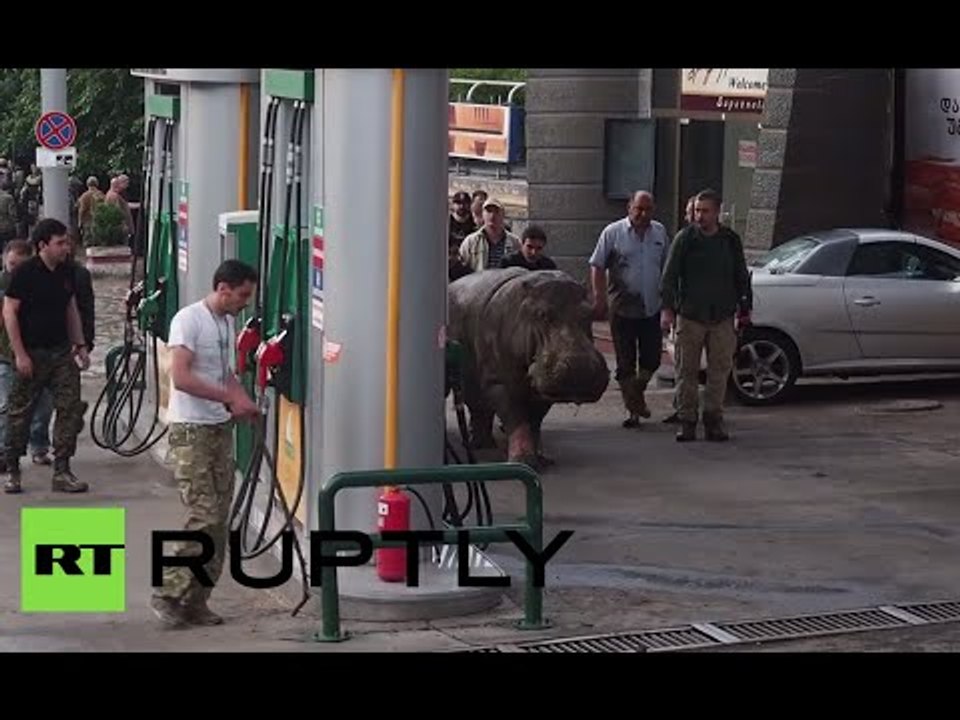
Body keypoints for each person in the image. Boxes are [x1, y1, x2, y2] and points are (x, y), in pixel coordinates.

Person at [150, 259, 260, 629]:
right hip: (190, 431)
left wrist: (241, 398)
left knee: (219, 522)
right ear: (223, 288)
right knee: (204, 517)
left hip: (218, 429)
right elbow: (181, 377)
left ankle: (196, 601)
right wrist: (228, 399)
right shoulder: (188, 320)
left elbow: (225, 373)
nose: (245, 302)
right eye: (242, 294)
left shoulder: (227, 323)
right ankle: (167, 592)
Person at [2, 219, 89, 494]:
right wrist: (20, 354)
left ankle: (62, 469)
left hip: (61, 352)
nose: (65, 247)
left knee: (70, 408)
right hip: (32, 353)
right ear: (43, 245)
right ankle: (13, 469)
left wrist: (80, 344)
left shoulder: (66, 272)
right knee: (19, 414)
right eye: (59, 243)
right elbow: (9, 313)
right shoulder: (25, 273)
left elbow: (70, 308)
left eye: (66, 241)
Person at [660, 188, 752, 442]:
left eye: (706, 211)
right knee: (686, 370)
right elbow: (669, 276)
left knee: (719, 371)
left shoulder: (730, 240)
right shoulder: (685, 238)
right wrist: (667, 310)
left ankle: (714, 420)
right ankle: (687, 420)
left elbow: (741, 275)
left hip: (722, 315)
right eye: (697, 211)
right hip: (690, 315)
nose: (700, 216)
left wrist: (745, 307)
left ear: (717, 212)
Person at [589, 190, 671, 428]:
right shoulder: (612, 233)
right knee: (626, 361)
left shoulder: (659, 232)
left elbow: (666, 267)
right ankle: (632, 411)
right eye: (639, 209)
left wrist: (668, 304)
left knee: (652, 359)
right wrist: (599, 297)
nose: (643, 214)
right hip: (622, 307)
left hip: (651, 306)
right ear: (629, 208)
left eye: (648, 210)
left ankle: (635, 392)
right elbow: (596, 265)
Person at [0, 240, 57, 473]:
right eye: (12, 264)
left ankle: (39, 445)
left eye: (21, 265)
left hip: (41, 353)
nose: (16, 270)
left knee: (43, 404)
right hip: (5, 355)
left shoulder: (42, 281)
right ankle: (4, 452)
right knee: (6, 405)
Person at [459, 198, 520, 272]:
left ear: (503, 215)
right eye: (489, 211)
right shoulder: (471, 242)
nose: (492, 215)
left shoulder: (515, 242)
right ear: (482, 214)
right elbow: (461, 267)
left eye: (496, 212)